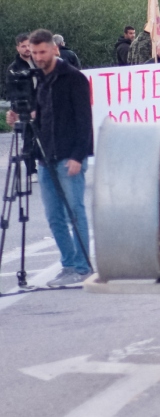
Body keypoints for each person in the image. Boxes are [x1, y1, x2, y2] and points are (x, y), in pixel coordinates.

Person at [6, 30, 93, 287]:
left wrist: (78, 155)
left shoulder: (73, 78)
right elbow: (40, 115)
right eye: (34, 53)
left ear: (54, 49)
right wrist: (20, 117)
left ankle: (83, 265)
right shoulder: (39, 78)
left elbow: (84, 120)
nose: (37, 57)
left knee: (75, 212)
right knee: (54, 216)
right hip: (45, 156)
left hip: (69, 156)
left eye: (42, 52)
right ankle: (68, 264)